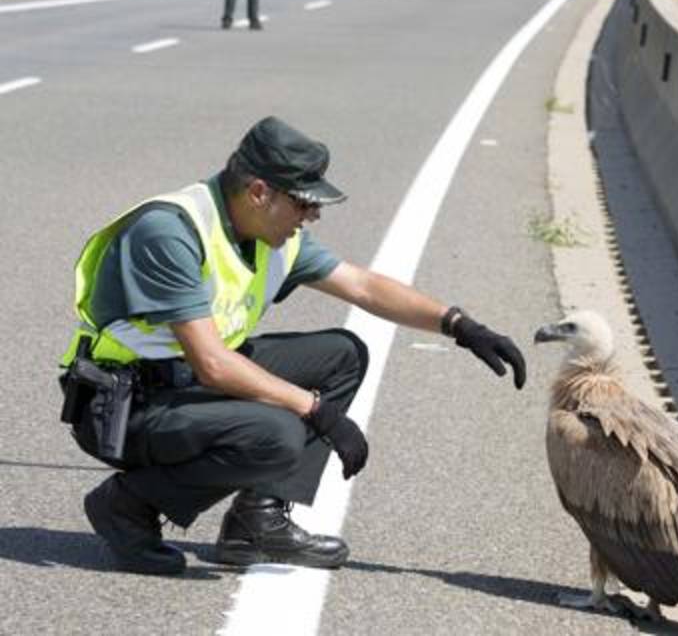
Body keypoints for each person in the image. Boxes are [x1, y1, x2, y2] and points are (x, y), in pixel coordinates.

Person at [62, 116, 526, 575]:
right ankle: (126, 506)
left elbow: (362, 286)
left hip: (187, 382)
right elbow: (213, 365)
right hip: (128, 406)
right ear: (260, 192)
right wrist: (315, 411)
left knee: (342, 354)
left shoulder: (273, 235)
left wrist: (459, 325)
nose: (312, 216)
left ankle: (254, 521)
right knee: (275, 435)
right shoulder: (170, 233)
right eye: (304, 204)